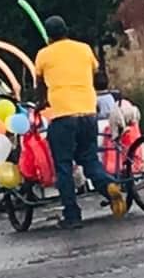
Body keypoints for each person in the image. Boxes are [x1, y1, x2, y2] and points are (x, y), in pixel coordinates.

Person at [35, 16, 126, 230]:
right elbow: (96, 76)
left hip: (62, 116)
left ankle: (72, 215)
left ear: (49, 36)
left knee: (64, 165)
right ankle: (108, 184)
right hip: (87, 112)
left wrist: (42, 103)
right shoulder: (84, 49)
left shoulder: (43, 55)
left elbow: (40, 84)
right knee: (89, 158)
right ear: (66, 30)